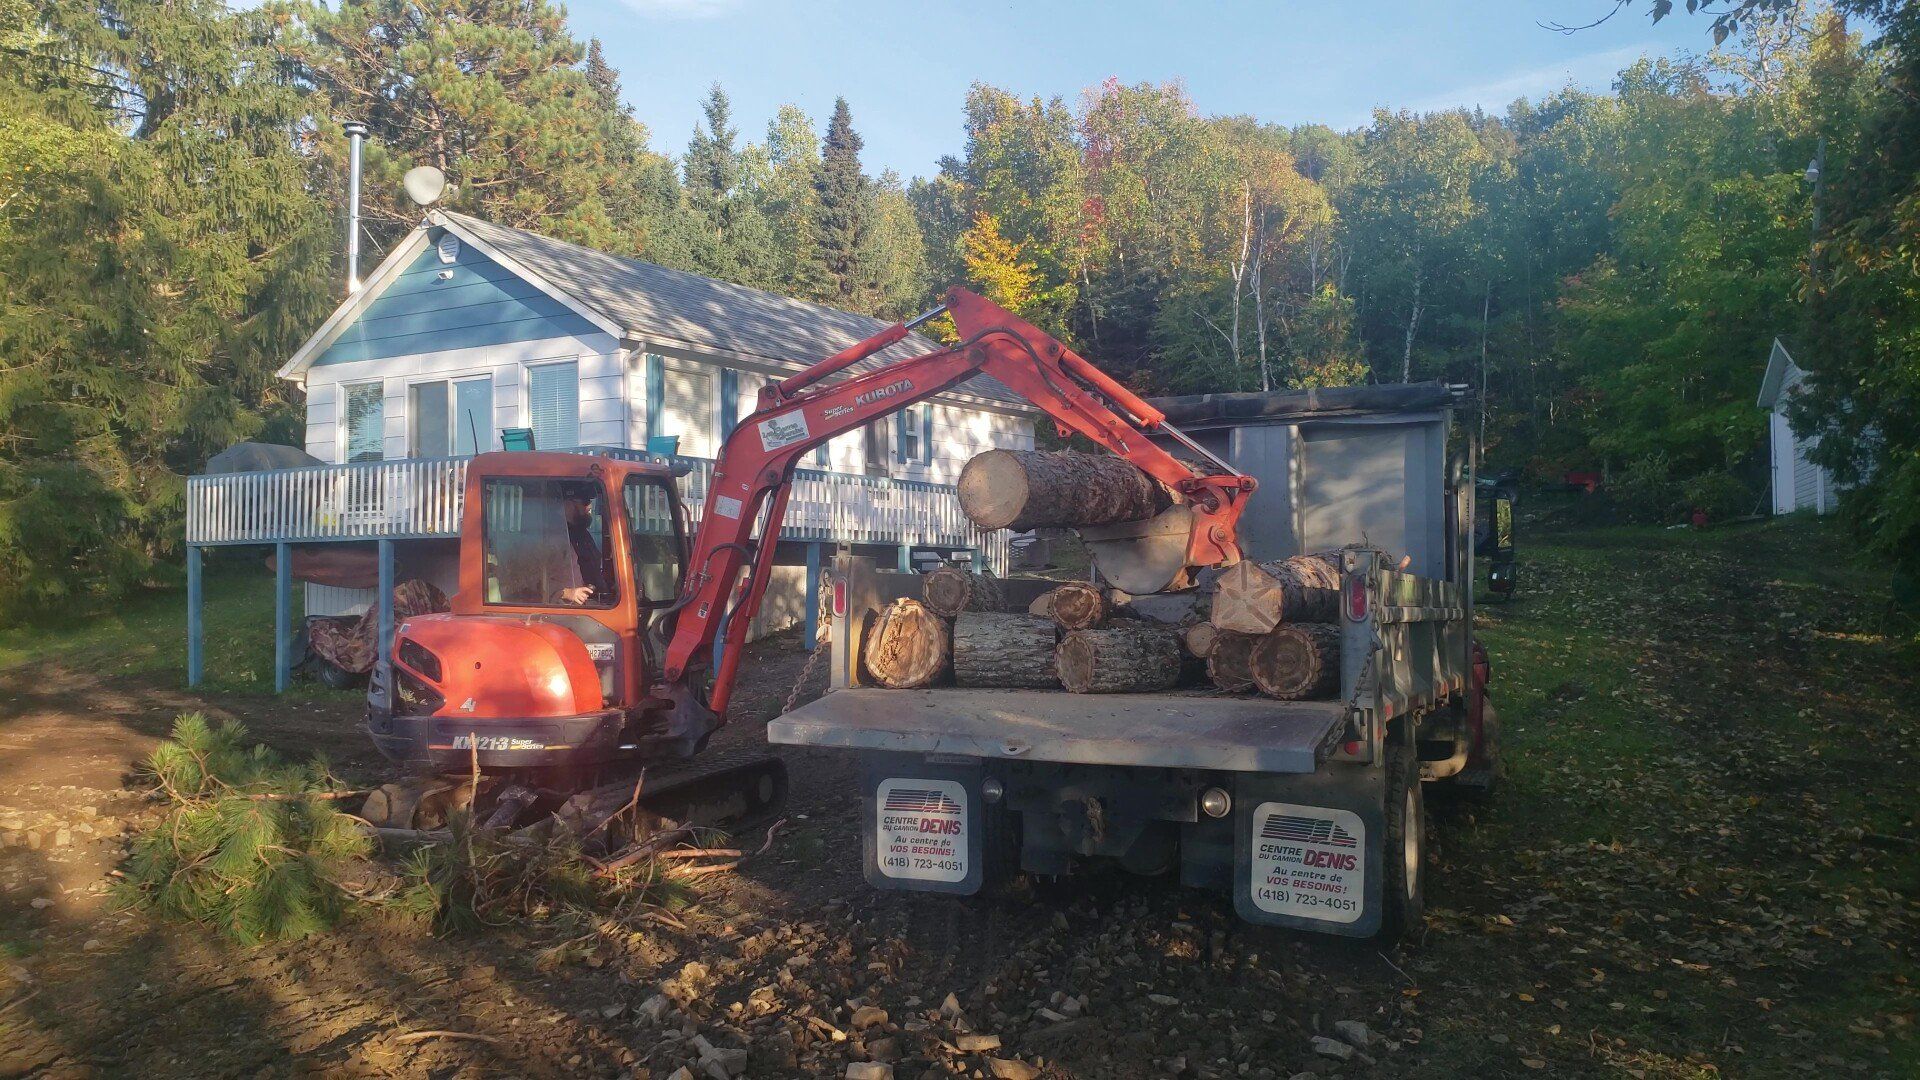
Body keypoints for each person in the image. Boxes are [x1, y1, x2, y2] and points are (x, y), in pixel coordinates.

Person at [559, 482, 612, 606]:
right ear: (567, 503)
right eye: (585, 501)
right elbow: (534, 580)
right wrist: (567, 593)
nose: (590, 506)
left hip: (595, 605)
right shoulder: (552, 537)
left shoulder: (582, 534)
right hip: (569, 611)